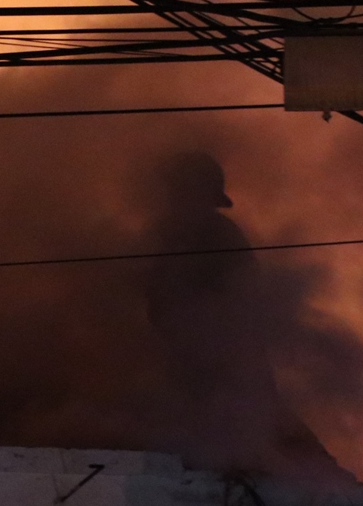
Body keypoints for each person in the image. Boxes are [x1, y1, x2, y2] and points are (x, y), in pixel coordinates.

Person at [143, 150, 349, 481]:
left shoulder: (218, 236)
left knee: (258, 416)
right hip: (194, 358)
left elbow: (244, 298)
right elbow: (157, 301)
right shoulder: (167, 237)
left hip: (226, 355)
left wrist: (221, 342)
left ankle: (325, 478)